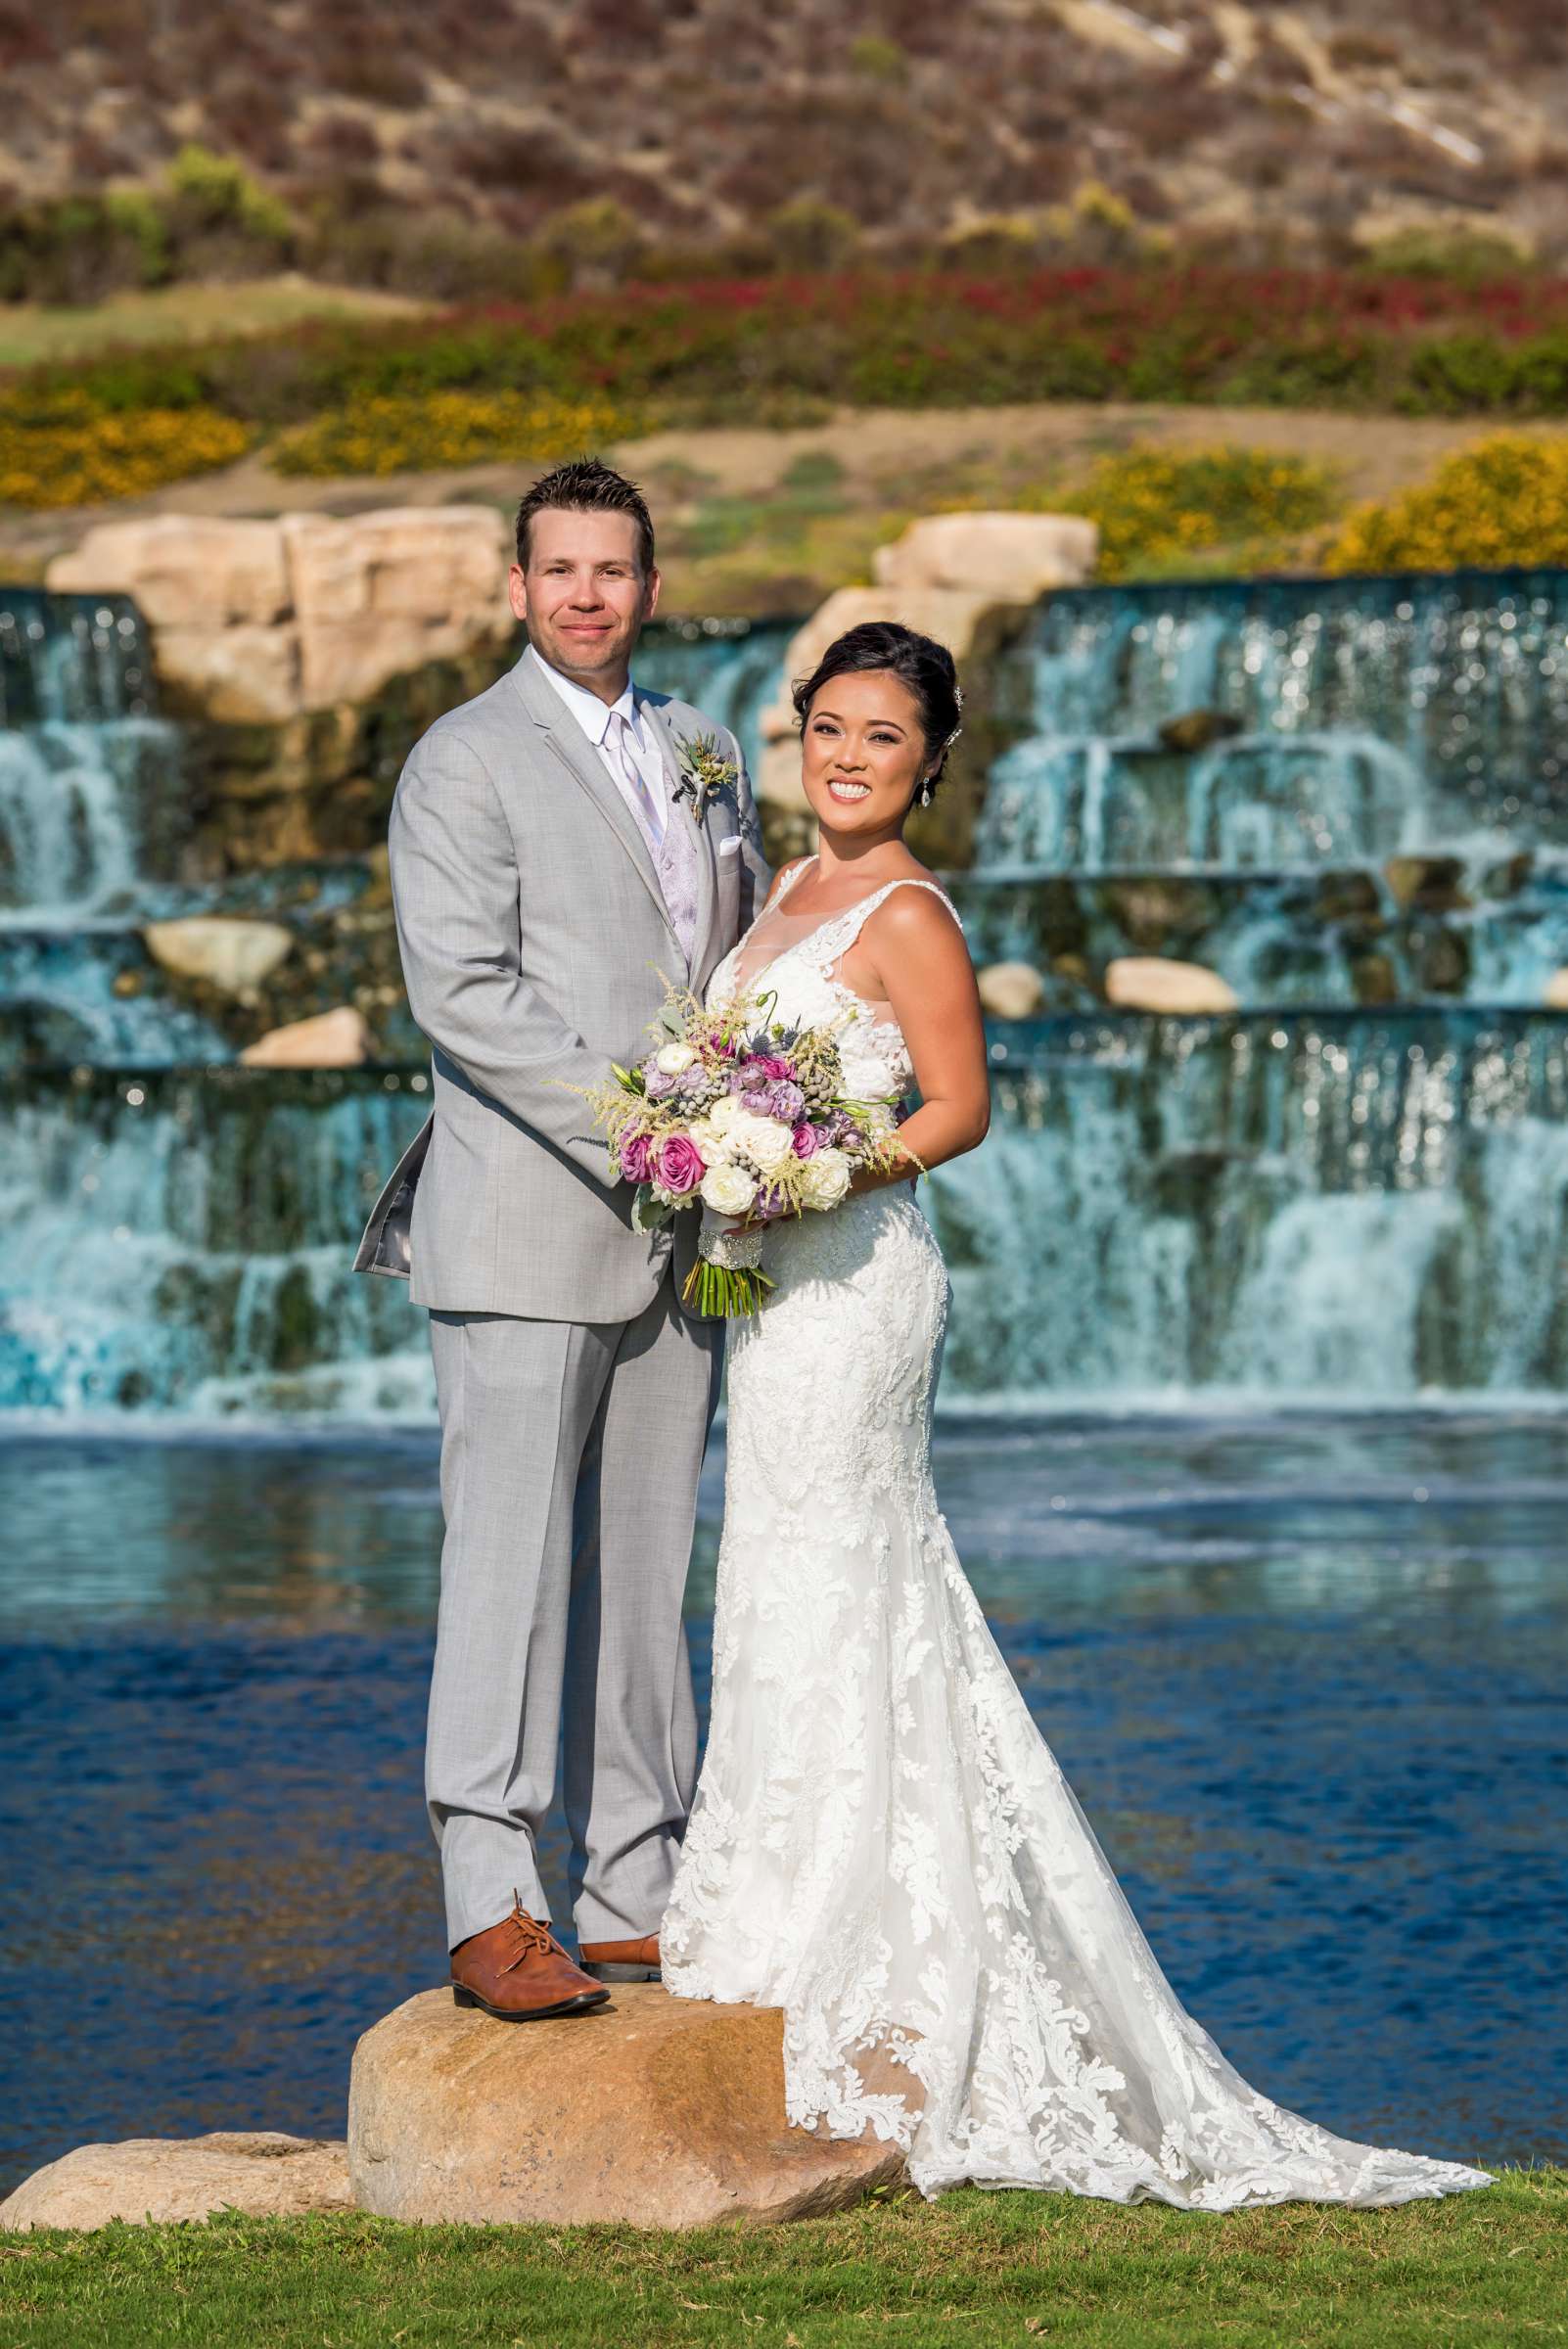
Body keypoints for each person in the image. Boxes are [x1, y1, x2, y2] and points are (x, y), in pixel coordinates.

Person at [660, 619, 1492, 2210]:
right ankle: (762, 1920)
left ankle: (875, 1957)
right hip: (768, 1298)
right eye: (826, 727)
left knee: (857, 1585)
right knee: (776, 1586)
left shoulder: (906, 911)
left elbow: (960, 1106)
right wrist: (715, 1158)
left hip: (856, 1288)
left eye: (881, 738)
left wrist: (819, 1167)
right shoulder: (772, 891)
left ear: (932, 762)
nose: (845, 756)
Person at [356, 457, 767, 2019]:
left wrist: (749, 1128)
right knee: (510, 1573)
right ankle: (490, 1904)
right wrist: (650, 1132)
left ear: (649, 589)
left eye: (614, 570)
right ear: (517, 589)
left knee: (647, 1572)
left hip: (686, 1237)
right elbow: (464, 995)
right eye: (559, 570)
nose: (587, 594)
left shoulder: (700, 750)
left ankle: (633, 1885)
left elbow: (724, 957)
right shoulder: (462, 760)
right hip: (534, 1217)